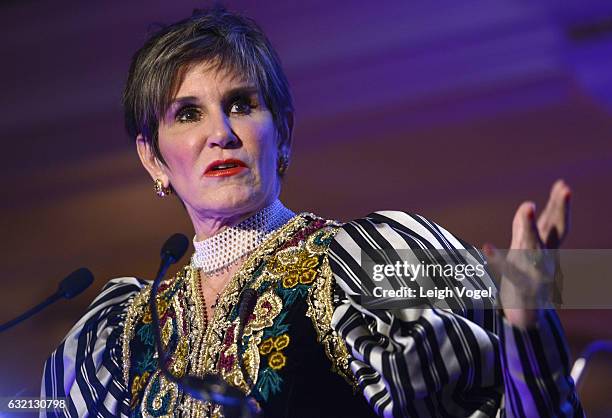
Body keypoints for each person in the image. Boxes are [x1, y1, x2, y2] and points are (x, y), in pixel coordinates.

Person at [41, 7, 583, 418]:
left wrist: (529, 320)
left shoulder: (370, 261)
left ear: (283, 134)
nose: (221, 135)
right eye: (187, 114)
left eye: (241, 105)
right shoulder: (118, 335)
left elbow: (581, 285)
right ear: (153, 157)